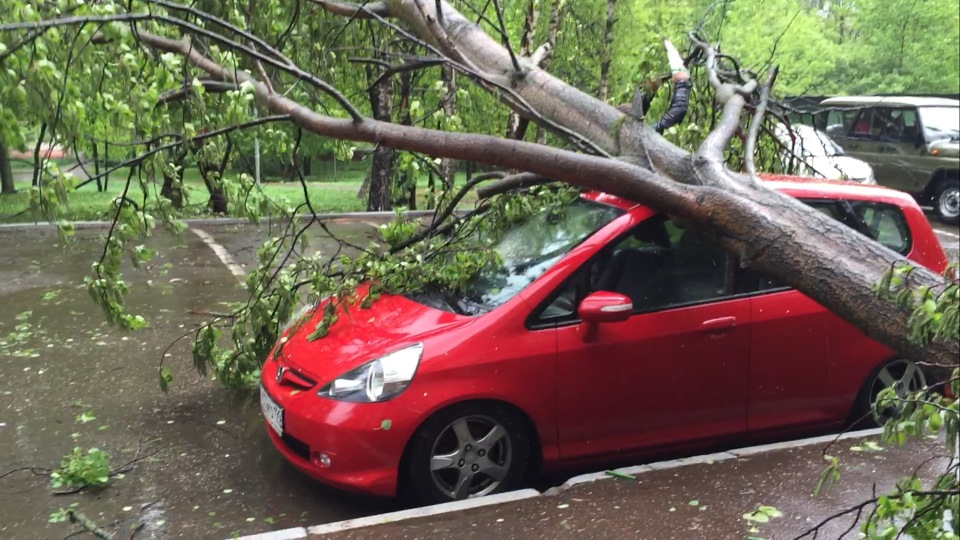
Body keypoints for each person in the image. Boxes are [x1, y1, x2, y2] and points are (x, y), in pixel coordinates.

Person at [621, 40, 691, 134]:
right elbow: (679, 110)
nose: (643, 121)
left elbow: (640, 109)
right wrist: (682, 82)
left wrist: (651, 91)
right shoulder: (635, 135)